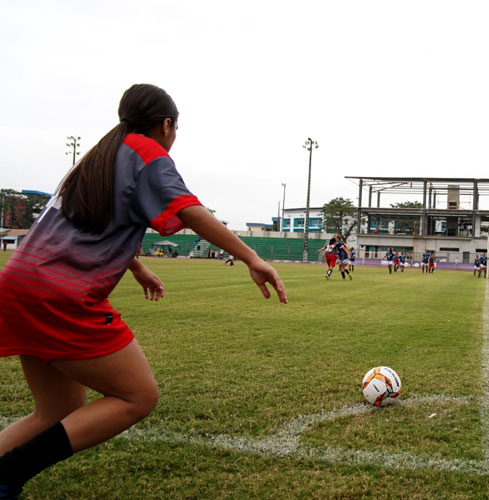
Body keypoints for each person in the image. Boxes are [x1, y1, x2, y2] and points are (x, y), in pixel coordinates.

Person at [0, 84, 287, 499]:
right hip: (59, 293)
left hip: (20, 282)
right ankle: (8, 474)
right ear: (166, 125)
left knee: (55, 412)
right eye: (176, 128)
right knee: (137, 396)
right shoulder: (146, 151)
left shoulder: (95, 158)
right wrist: (250, 257)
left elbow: (85, 222)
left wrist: (135, 265)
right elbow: (189, 210)